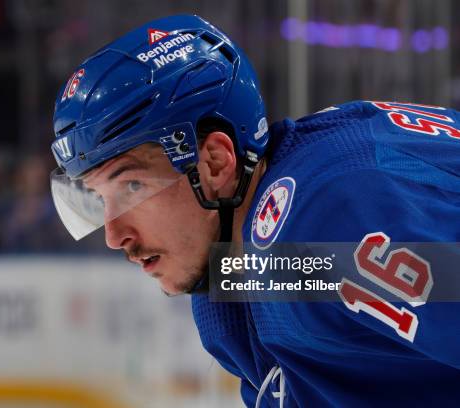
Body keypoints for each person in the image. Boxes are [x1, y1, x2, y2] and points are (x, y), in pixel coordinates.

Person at [49, 15, 460, 407]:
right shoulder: (239, 277)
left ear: (215, 163)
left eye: (132, 186)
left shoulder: (316, 223)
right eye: (99, 198)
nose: (114, 234)